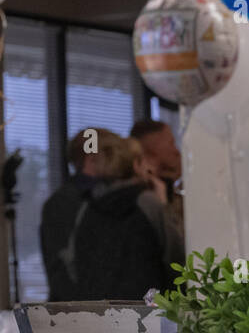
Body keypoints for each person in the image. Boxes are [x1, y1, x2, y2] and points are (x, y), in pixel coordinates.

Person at [69, 133, 183, 301]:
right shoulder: (146, 202)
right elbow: (176, 259)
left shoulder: (88, 206)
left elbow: (73, 263)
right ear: (135, 165)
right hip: (146, 313)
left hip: (97, 313)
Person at [40, 128, 113, 301]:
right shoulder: (68, 202)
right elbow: (64, 266)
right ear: (92, 158)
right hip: (80, 311)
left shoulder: (103, 196)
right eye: (111, 154)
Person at [130, 118, 183, 247]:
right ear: (151, 153)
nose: (176, 151)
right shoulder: (141, 197)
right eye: (171, 143)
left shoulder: (178, 183)